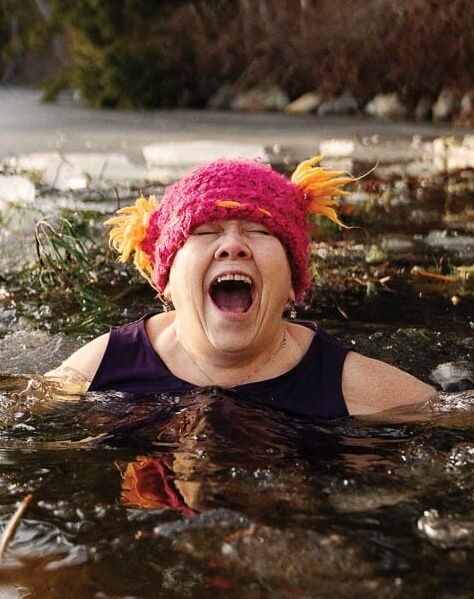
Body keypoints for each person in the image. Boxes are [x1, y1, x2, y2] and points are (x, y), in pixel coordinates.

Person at [45, 155, 437, 417]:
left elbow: (466, 417)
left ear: (292, 283)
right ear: (166, 282)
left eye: (258, 230)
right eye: (205, 231)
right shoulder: (104, 367)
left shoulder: (351, 386)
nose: (233, 245)